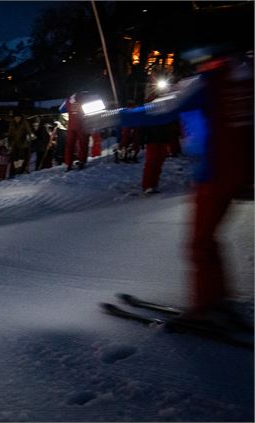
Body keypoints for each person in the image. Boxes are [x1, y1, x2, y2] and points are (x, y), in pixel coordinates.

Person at [87, 46, 254, 323]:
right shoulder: (246, 78)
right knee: (209, 238)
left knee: (200, 242)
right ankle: (218, 296)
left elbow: (161, 109)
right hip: (241, 170)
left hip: (213, 172)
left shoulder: (208, 82)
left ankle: (206, 306)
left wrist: (113, 116)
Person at [141, 122, 179, 194]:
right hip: (153, 138)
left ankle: (152, 184)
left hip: (160, 138)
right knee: (152, 162)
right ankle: (148, 185)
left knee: (158, 162)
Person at [59, 92, 90, 171]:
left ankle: (69, 164)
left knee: (69, 145)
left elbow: (61, 109)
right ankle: (81, 161)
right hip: (81, 125)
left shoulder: (68, 100)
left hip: (71, 125)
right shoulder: (84, 99)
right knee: (83, 143)